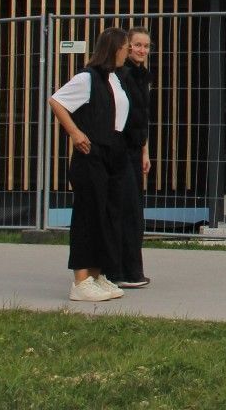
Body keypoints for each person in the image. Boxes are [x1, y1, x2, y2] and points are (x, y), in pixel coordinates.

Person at [49, 27, 131, 302]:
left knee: (107, 215)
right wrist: (75, 132)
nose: (128, 52)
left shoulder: (114, 78)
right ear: (114, 48)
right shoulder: (87, 77)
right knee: (88, 214)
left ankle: (97, 275)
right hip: (92, 154)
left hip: (113, 153)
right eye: (126, 47)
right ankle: (81, 281)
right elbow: (57, 101)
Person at [111, 26, 153, 289]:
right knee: (125, 209)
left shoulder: (142, 76)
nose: (142, 50)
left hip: (136, 149)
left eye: (146, 46)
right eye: (137, 45)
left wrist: (145, 151)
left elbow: (142, 118)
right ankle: (120, 271)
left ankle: (132, 269)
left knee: (135, 211)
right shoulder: (121, 74)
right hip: (120, 148)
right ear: (127, 47)